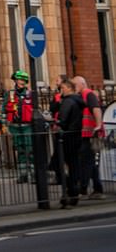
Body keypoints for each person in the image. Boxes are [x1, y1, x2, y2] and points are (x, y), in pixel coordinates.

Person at [73, 75, 104, 195]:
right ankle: (97, 189)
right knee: (90, 161)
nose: (74, 87)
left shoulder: (88, 94)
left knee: (86, 160)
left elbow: (96, 109)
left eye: (75, 85)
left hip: (91, 133)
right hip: (87, 133)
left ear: (82, 84)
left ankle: (83, 188)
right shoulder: (82, 96)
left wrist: (98, 125)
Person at [56, 77, 84, 208]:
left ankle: (70, 191)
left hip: (67, 136)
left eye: (63, 88)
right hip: (76, 135)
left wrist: (57, 123)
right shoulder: (77, 101)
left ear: (69, 88)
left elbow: (63, 119)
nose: (61, 90)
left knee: (57, 164)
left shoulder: (68, 102)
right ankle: (73, 192)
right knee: (73, 165)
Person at [5, 70, 33, 181]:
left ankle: (33, 174)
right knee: (20, 150)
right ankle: (23, 174)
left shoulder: (30, 94)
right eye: (18, 80)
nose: (20, 82)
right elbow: (4, 109)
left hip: (27, 126)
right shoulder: (10, 94)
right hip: (15, 126)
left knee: (30, 150)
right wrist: (4, 125)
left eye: (22, 80)